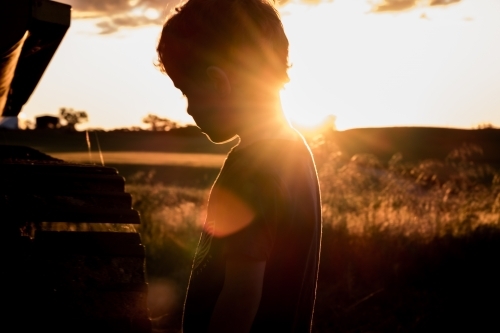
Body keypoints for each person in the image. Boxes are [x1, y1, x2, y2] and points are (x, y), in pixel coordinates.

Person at [156, 0, 322, 332]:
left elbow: (241, 296)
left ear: (219, 83)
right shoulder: (296, 154)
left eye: (187, 91)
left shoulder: (250, 174)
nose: (188, 109)